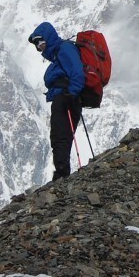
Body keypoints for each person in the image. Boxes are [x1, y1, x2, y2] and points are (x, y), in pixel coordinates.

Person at [29, 22, 84, 181]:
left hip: (66, 98)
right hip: (64, 97)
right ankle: (61, 171)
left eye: (41, 42)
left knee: (60, 134)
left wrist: (70, 94)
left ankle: (62, 173)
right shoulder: (58, 55)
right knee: (60, 135)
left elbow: (77, 73)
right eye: (37, 45)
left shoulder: (64, 49)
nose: (40, 47)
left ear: (49, 37)